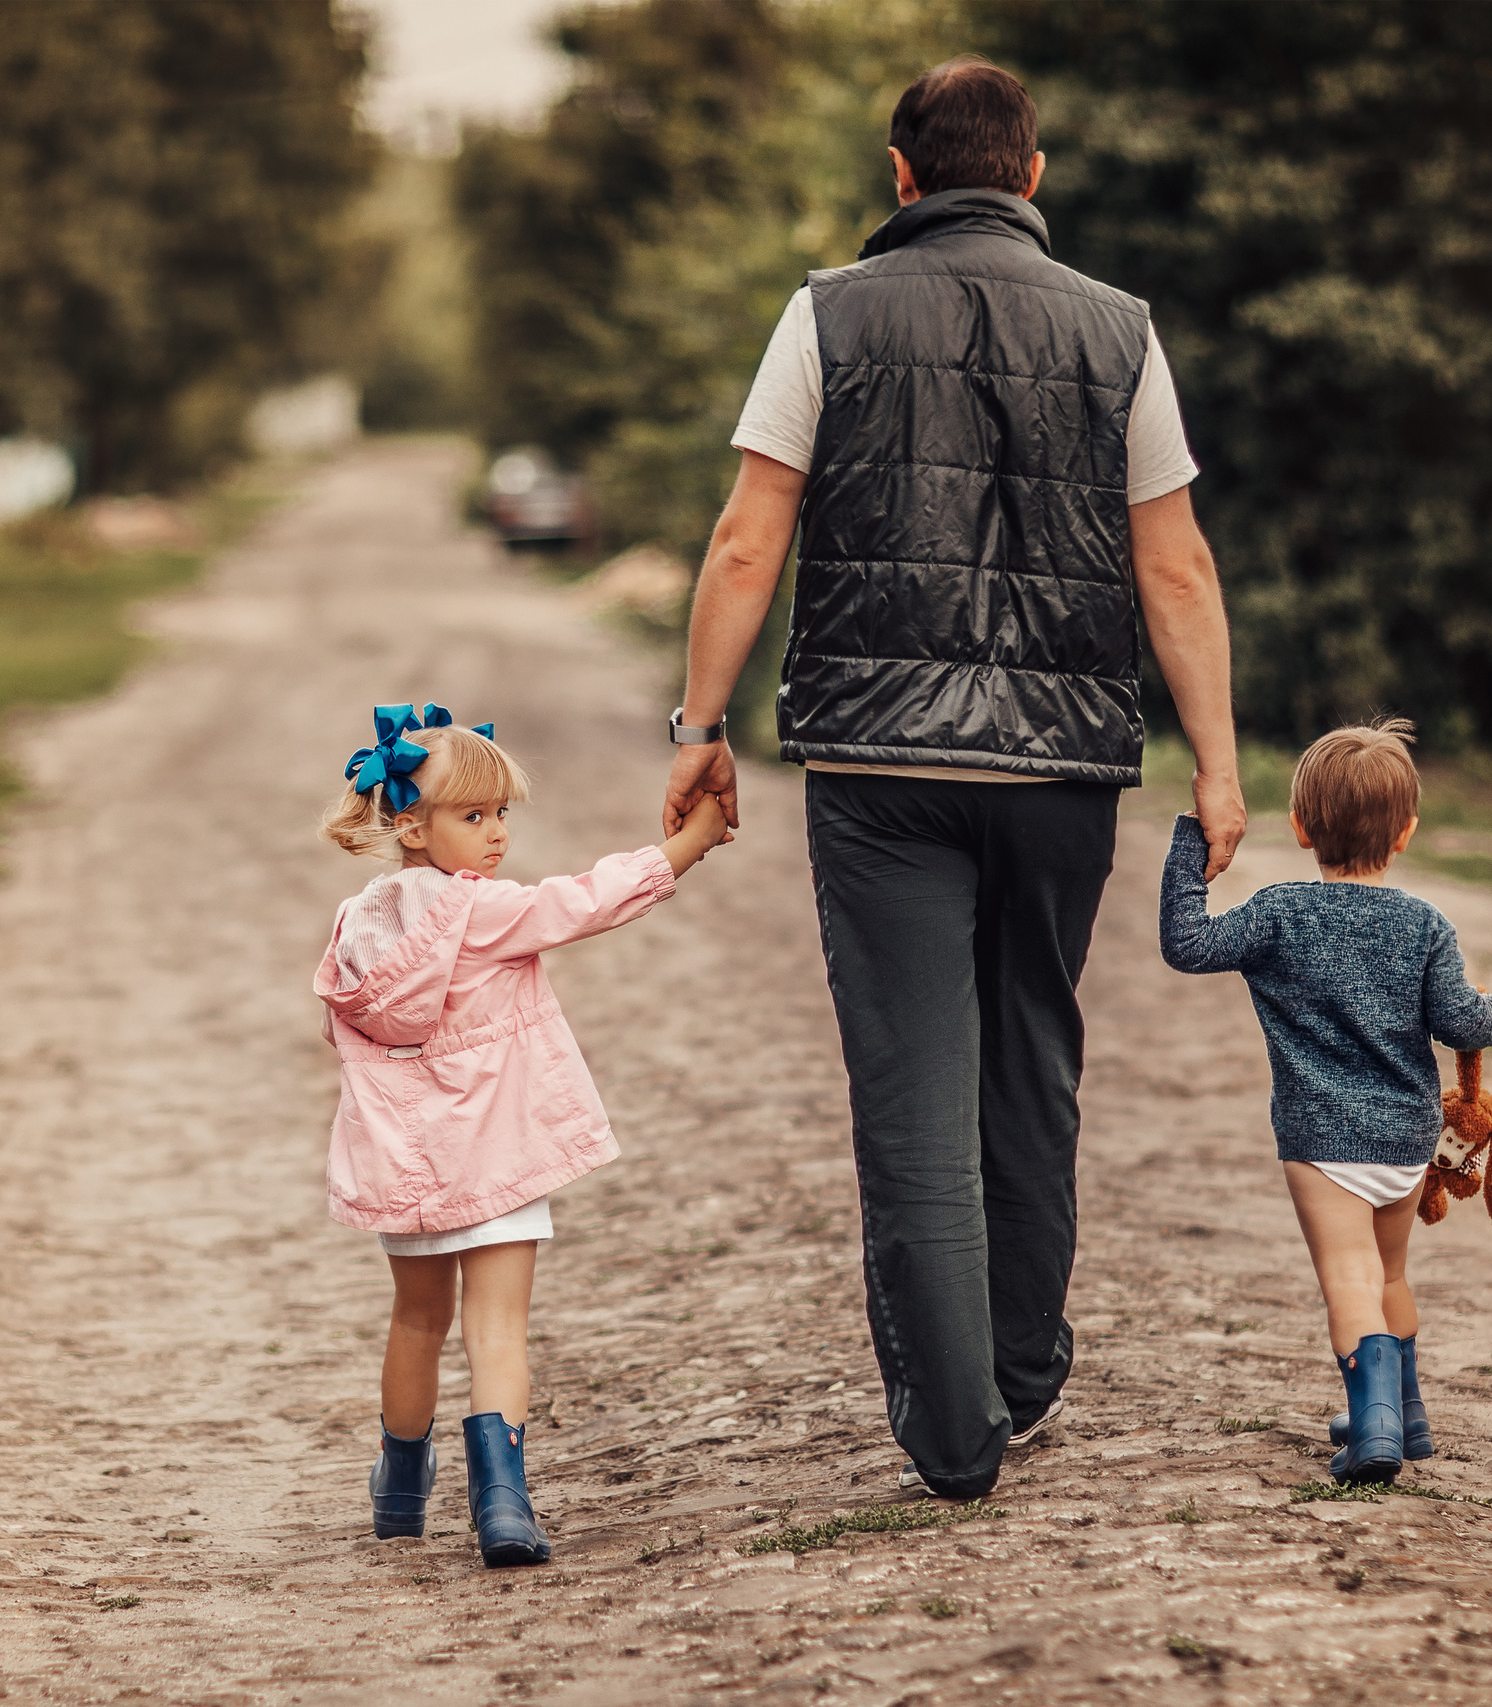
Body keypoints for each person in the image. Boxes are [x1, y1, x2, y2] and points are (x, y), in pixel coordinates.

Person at [663, 55, 1247, 1501]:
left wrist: (699, 725)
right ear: (1034, 175)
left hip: (877, 762)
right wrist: (1223, 766)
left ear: (900, 172)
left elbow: (749, 537)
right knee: (1033, 1050)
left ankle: (953, 1433)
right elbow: (1171, 559)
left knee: (912, 1075)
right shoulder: (1123, 332)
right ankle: (1026, 1367)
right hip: (1061, 765)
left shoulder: (827, 313)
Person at [316, 703, 733, 1566]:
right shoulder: (482, 912)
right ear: (411, 824)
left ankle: (399, 1488)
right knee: (498, 1327)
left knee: (417, 1321)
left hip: (410, 1163)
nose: (497, 832)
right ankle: (502, 1502)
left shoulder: (360, 924)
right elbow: (586, 902)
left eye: (502, 812)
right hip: (497, 1152)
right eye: (474, 816)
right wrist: (689, 843)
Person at [1159, 719, 1492, 1482]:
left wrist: (1195, 836)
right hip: (1406, 1139)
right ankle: (1405, 1414)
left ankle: (1375, 1429)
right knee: (1387, 1278)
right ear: (1407, 831)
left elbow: (1186, 943)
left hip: (1323, 1140)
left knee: (1348, 1279)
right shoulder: (1425, 924)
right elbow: (1460, 1020)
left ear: (1300, 826)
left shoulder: (1279, 912)